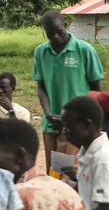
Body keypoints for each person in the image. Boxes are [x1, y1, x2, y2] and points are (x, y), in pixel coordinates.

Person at [34, 10, 104, 170]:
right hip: (51, 124)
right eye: (50, 34)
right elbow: (41, 88)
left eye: (59, 32)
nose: (56, 37)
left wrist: (96, 124)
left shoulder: (85, 50)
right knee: (52, 173)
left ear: (66, 25)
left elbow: (97, 90)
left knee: (68, 173)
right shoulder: (41, 52)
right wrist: (49, 114)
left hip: (75, 127)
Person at [61, 95, 109, 210]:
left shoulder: (103, 159)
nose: (64, 132)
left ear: (87, 125)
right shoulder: (88, 151)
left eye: (68, 127)